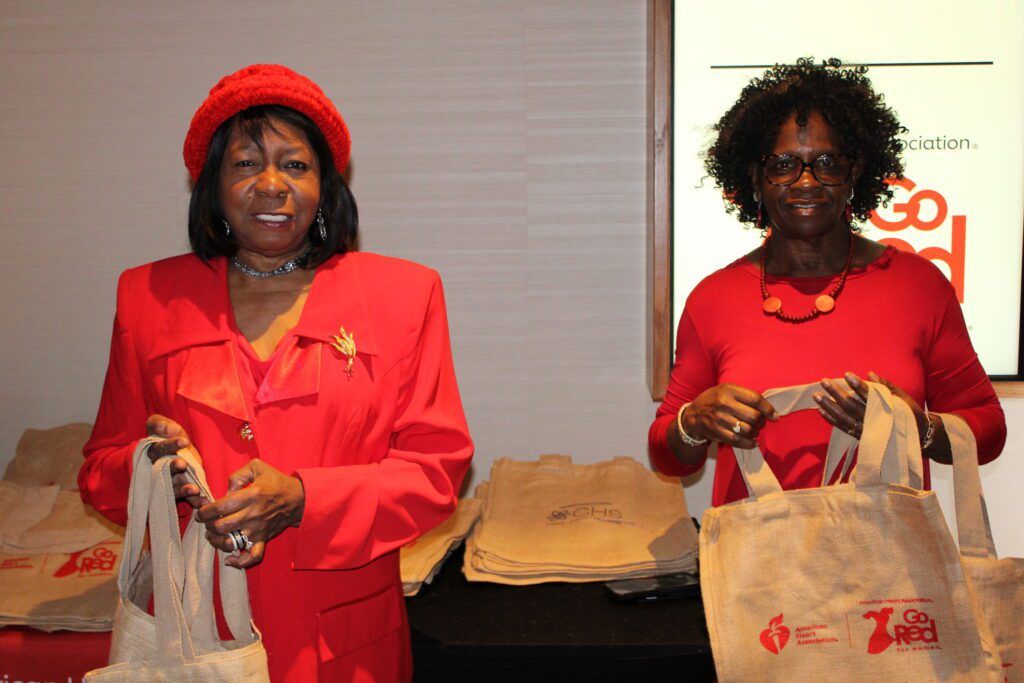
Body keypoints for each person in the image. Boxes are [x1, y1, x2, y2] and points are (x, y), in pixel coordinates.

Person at [78, 64, 473, 681]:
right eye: (245, 164)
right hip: (193, 640)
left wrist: (303, 502)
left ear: (325, 185)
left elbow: (435, 473)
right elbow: (100, 468)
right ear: (212, 185)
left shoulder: (404, 295)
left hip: (344, 650)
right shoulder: (146, 298)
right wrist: (153, 472)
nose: (270, 184)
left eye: (294, 165)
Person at [648, 58, 1005, 506]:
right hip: (755, 548)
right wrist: (694, 422)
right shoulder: (714, 299)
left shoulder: (918, 286)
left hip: (888, 549)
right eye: (783, 164)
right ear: (755, 178)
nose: (806, 182)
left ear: (854, 173)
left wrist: (918, 429)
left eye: (827, 163)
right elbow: (668, 456)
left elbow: (989, 431)